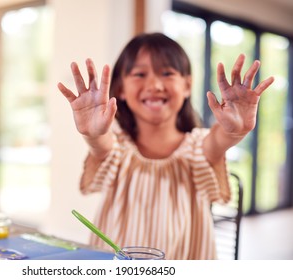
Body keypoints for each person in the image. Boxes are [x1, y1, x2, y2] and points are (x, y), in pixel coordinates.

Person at [57, 32, 274, 259]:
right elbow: (102, 146)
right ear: (120, 88)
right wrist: (92, 135)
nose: (155, 84)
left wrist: (234, 130)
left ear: (187, 85)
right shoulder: (118, 143)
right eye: (140, 74)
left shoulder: (197, 146)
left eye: (167, 73)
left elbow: (218, 141)